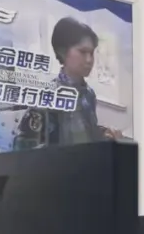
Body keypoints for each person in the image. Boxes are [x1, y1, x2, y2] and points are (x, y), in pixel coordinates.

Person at [13, 17, 121, 149]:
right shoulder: (47, 99)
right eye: (82, 52)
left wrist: (104, 134)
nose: (89, 60)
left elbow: (85, 132)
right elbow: (21, 147)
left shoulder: (88, 94)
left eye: (92, 53)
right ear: (62, 52)